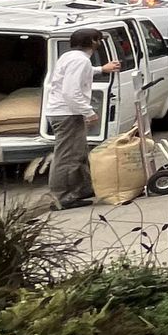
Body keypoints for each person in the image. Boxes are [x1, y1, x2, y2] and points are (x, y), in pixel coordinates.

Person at [43, 28, 120, 210]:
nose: (99, 43)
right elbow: (71, 92)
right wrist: (89, 112)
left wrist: (101, 69)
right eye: (99, 40)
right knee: (67, 156)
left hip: (64, 111)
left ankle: (83, 188)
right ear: (93, 41)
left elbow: (77, 74)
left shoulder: (71, 57)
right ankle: (62, 197)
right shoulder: (80, 60)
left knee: (78, 152)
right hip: (67, 113)